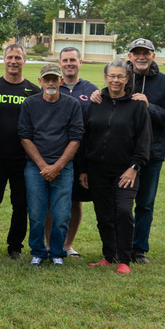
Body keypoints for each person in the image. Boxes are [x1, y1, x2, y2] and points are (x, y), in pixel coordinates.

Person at [90, 38, 165, 264]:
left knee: (144, 204)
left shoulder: (164, 83)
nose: (141, 56)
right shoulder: (120, 79)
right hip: (117, 156)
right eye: (136, 53)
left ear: (152, 55)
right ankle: (114, 252)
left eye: (145, 53)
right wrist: (97, 94)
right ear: (130, 56)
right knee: (116, 207)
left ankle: (137, 250)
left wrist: (150, 106)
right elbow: (112, 104)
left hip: (152, 153)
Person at [77, 60, 152, 274]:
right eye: (112, 76)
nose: (116, 80)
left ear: (127, 79)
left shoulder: (137, 105)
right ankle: (108, 255)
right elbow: (86, 137)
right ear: (105, 77)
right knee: (104, 213)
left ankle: (125, 259)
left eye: (120, 76)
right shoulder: (96, 102)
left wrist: (134, 167)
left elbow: (144, 141)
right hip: (97, 170)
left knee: (123, 211)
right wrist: (83, 168)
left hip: (126, 170)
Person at [18, 63, 84, 267]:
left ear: (61, 81)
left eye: (54, 79)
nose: (50, 83)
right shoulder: (30, 104)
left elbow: (76, 138)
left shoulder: (72, 105)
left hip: (63, 168)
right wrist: (43, 165)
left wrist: (57, 166)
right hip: (35, 167)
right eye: (46, 79)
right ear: (40, 82)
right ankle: (38, 251)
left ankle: (57, 252)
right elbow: (24, 136)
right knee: (37, 214)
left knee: (62, 214)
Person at [0, 44, 40, 260]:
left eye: (18, 57)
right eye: (10, 57)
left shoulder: (33, 91)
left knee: (20, 204)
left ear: (24, 61)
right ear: (4, 60)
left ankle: (15, 246)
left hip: (22, 158)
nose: (13, 61)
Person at [54, 46, 99, 257]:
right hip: (53, 155)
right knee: (50, 201)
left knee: (75, 201)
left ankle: (67, 245)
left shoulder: (92, 91)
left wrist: (88, 165)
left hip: (81, 157)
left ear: (80, 63)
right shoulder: (52, 86)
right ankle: (48, 244)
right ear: (60, 63)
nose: (69, 63)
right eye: (65, 60)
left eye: (73, 60)